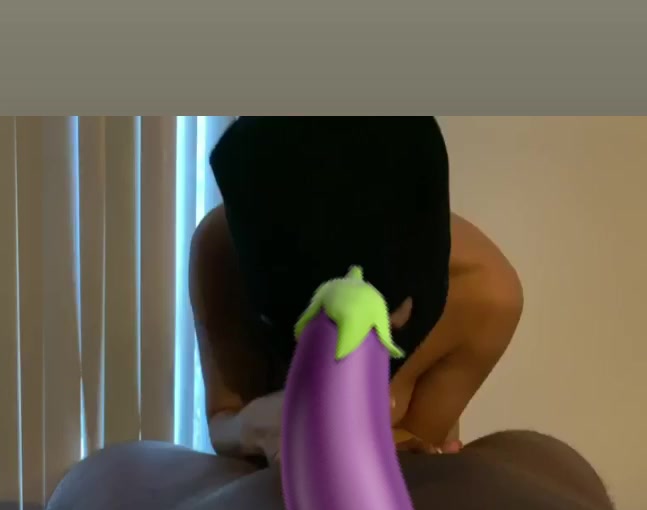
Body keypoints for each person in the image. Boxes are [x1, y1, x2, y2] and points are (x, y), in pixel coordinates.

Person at [189, 116, 524, 463]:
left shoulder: (484, 298)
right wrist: (255, 426)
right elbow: (223, 418)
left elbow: (413, 453)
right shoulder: (222, 245)